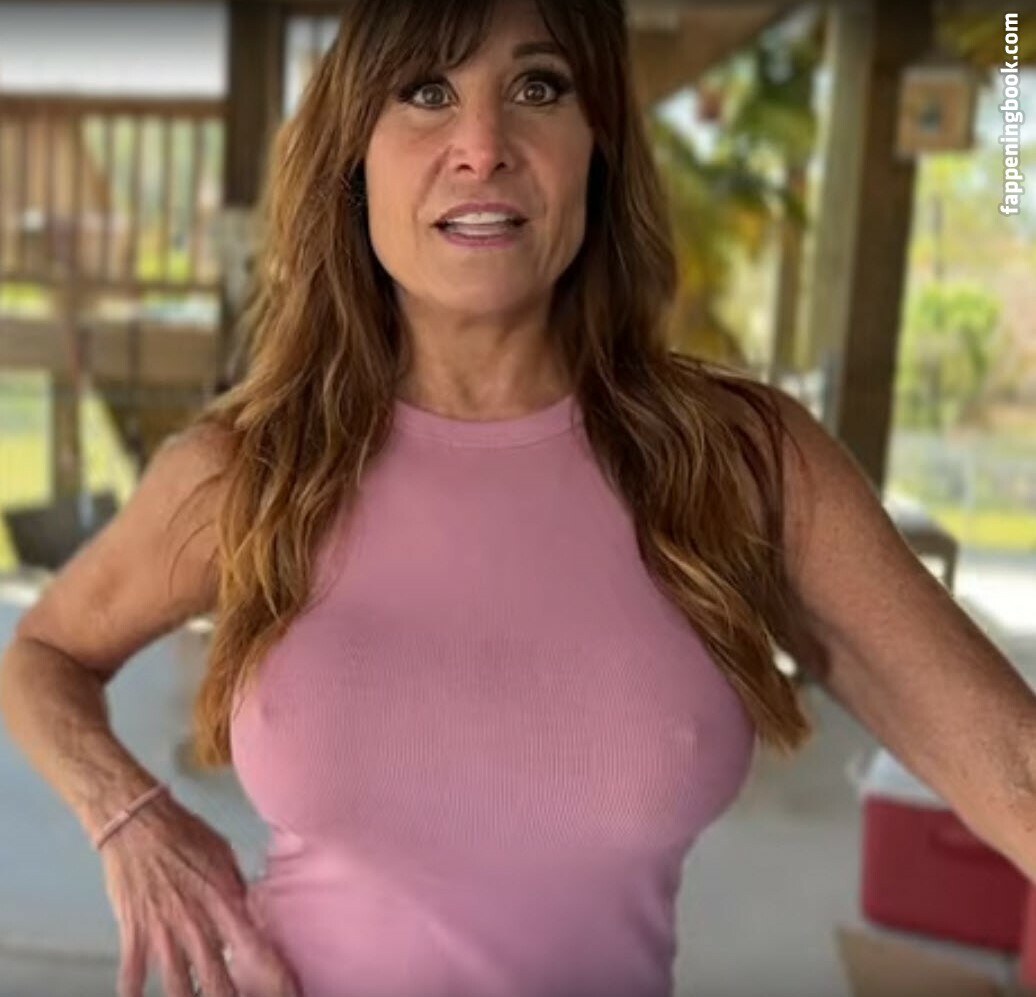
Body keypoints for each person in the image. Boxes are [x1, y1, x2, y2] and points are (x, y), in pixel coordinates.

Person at [2, 0, 1035, 995]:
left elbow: (1014, 767)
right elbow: (41, 655)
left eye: (539, 87)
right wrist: (128, 817)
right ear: (353, 156)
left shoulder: (741, 463)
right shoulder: (251, 468)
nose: (483, 145)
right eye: (425, 92)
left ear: (599, 146)